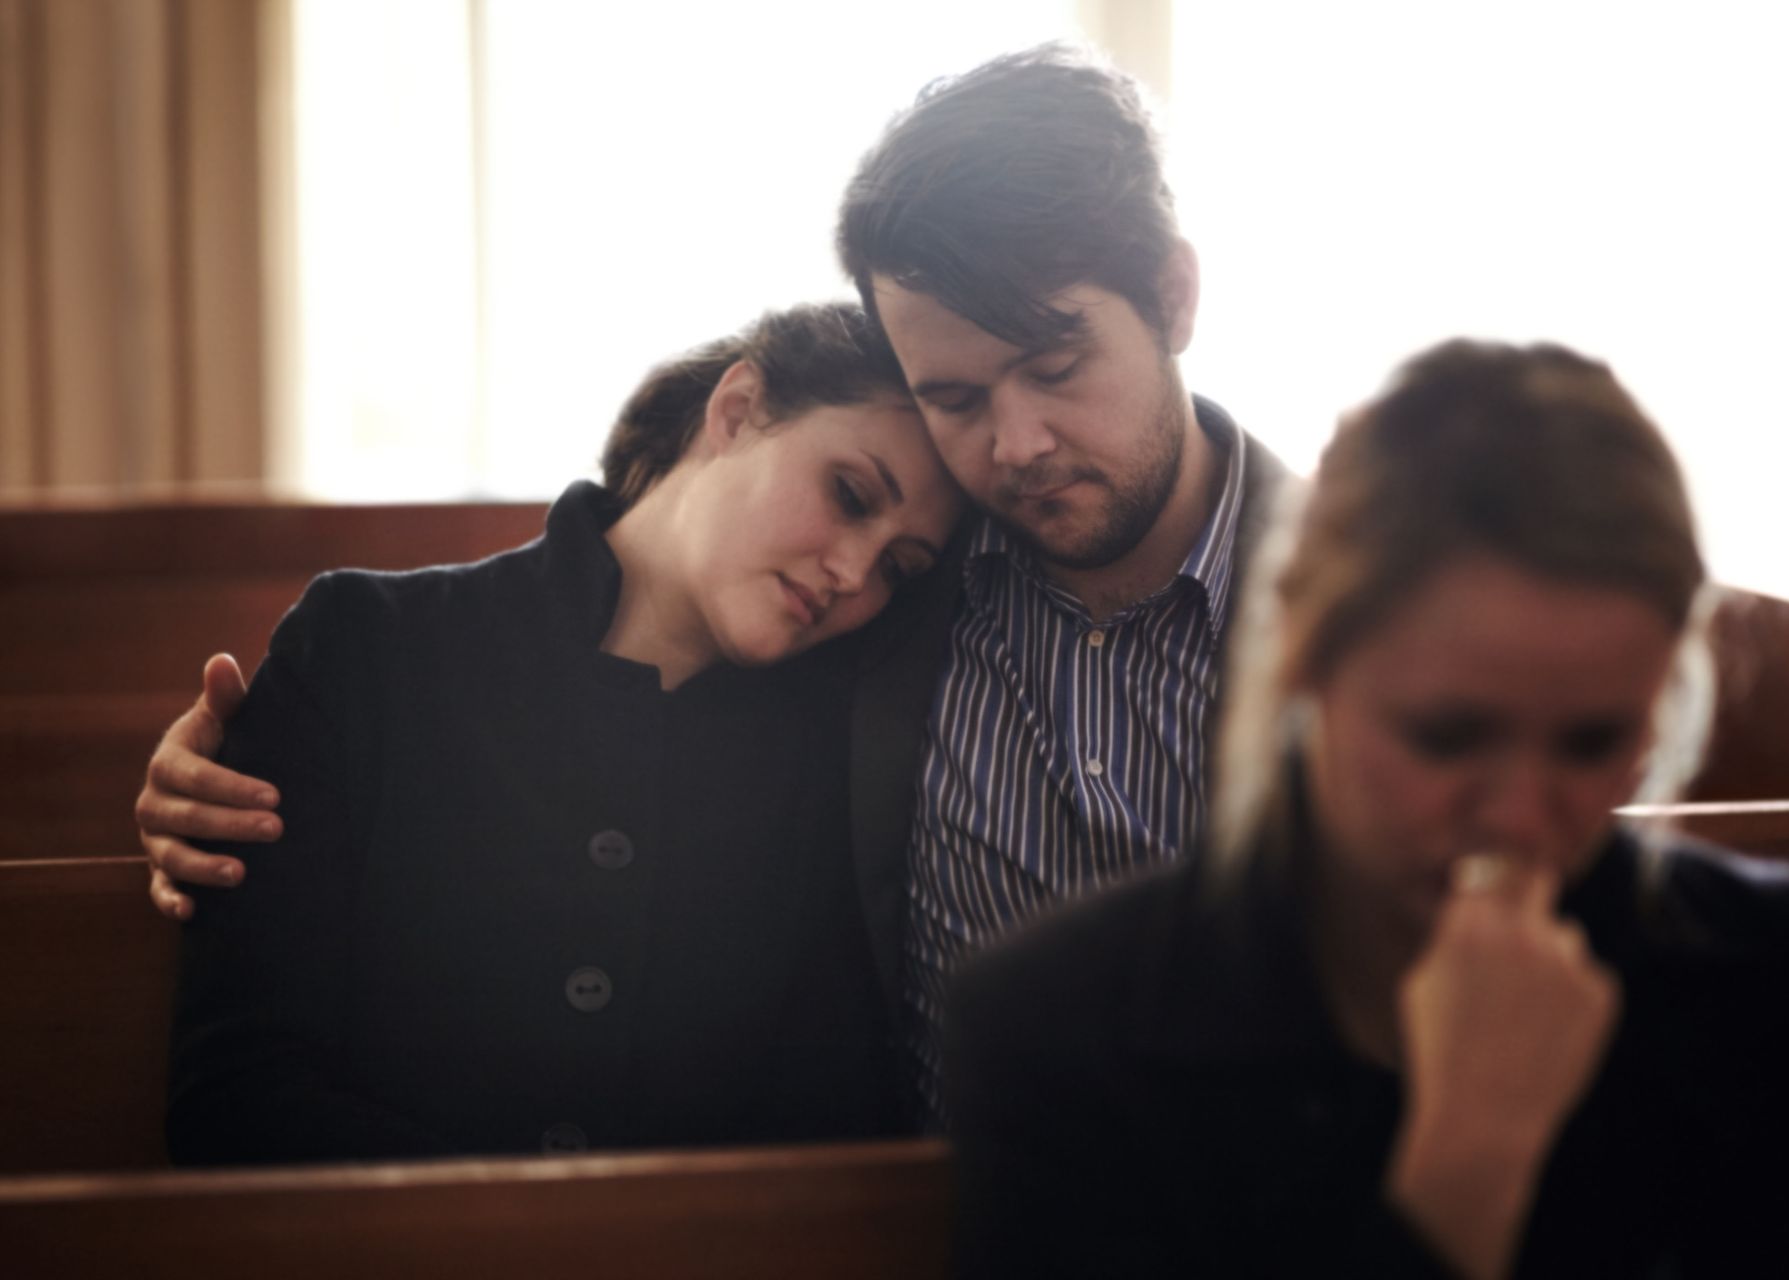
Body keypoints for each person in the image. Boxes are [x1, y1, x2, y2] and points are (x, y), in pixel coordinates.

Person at [139, 45, 1290, 1121]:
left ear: (1176, 298)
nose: (1018, 444)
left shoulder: (1359, 591)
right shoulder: (908, 607)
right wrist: (205, 772)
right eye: (955, 400)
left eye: (1056, 366)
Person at [942, 340, 1789, 1277]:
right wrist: (1467, 1157)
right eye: (1447, 737)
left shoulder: (1778, 973)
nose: (1519, 818)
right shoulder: (1062, 1029)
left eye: (1592, 743)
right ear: (1305, 665)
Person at [165, 302, 964, 1163]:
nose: (853, 573)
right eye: (849, 494)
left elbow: (833, 1133)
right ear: (735, 412)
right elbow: (238, 1096)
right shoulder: (365, 647)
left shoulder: (847, 752)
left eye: (899, 566)